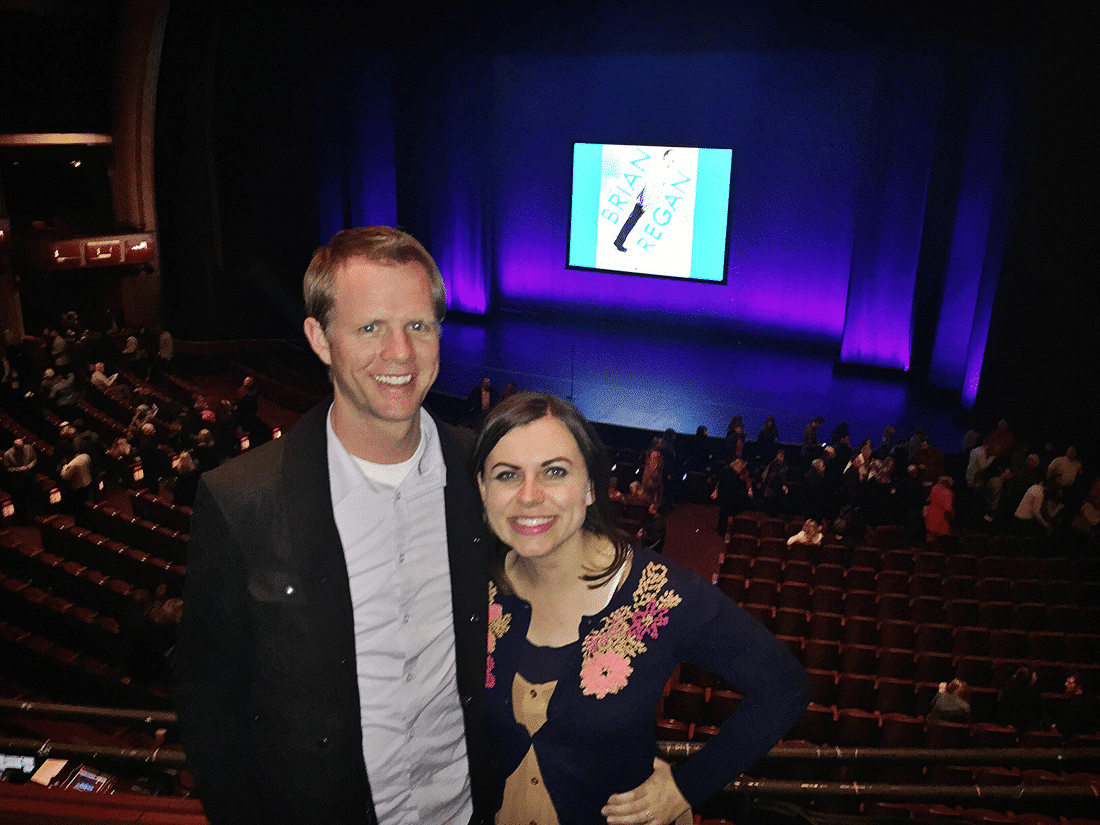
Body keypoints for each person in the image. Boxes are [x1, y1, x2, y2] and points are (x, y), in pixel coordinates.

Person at [173, 227, 491, 825]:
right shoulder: (241, 500)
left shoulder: (483, 478)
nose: (400, 354)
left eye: (418, 326)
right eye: (370, 328)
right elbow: (209, 700)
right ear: (320, 338)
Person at [475, 393, 808, 825]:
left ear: (592, 485)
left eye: (554, 471)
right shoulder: (471, 584)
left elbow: (785, 687)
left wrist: (690, 786)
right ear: (483, 489)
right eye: (506, 475)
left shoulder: (661, 594)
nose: (529, 495)